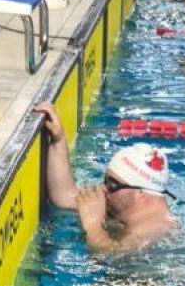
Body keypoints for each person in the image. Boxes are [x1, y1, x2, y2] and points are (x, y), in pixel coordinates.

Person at [37, 102, 177, 252]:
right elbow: (65, 196)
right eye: (106, 181)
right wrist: (58, 140)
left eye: (112, 184)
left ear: (141, 193)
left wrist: (93, 225)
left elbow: (111, 256)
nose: (103, 189)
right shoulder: (126, 207)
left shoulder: (153, 231)